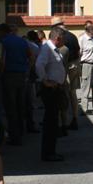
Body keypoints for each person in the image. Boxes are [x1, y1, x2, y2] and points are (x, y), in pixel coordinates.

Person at [35, 27, 67, 162]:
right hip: (50, 90)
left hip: (55, 88)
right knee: (51, 122)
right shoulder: (47, 49)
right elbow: (38, 65)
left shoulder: (52, 49)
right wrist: (45, 80)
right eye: (63, 39)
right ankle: (48, 153)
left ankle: (50, 151)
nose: (64, 41)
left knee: (52, 121)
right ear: (58, 38)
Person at [0, 24, 32, 145]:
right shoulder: (23, 41)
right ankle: (21, 131)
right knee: (20, 104)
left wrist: (1, 73)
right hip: (21, 75)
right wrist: (27, 69)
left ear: (3, 32)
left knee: (10, 106)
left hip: (9, 75)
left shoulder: (3, 42)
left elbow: (1, 60)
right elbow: (31, 56)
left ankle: (14, 136)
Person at [51, 17, 80, 130]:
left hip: (65, 67)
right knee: (73, 94)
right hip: (75, 65)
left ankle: (64, 122)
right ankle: (75, 118)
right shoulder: (72, 35)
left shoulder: (61, 37)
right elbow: (78, 51)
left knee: (63, 94)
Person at [78, 21, 93, 115]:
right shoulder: (82, 39)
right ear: (88, 31)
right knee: (86, 87)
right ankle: (84, 109)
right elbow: (79, 53)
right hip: (86, 64)